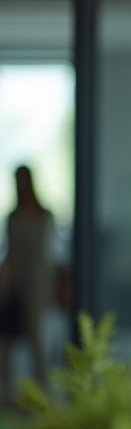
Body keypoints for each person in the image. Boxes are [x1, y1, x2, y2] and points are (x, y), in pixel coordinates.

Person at [0, 166, 56, 400]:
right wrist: (5, 283)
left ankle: (42, 393)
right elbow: (10, 253)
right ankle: (6, 392)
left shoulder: (45, 215)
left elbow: (49, 252)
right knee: (7, 339)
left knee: (36, 337)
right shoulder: (12, 217)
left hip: (39, 282)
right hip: (16, 281)